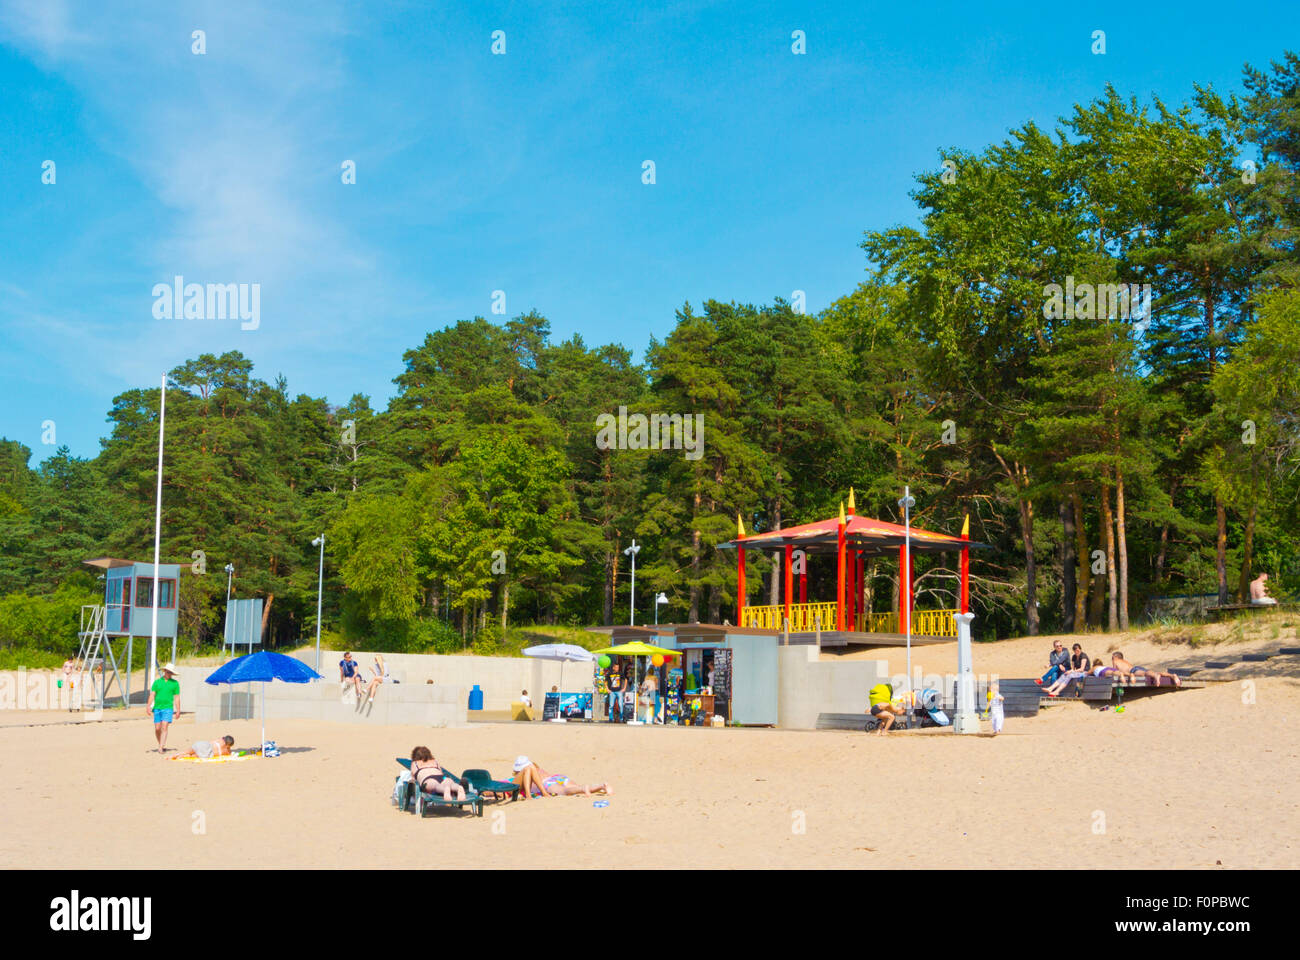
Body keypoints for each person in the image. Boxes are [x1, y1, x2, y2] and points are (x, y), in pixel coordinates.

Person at [511, 756, 612, 798]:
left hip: (547, 783)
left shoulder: (527, 774)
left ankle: (584, 789)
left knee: (566, 791)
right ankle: (601, 786)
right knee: (575, 787)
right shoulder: (538, 768)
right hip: (558, 777)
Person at [147, 663, 180, 754]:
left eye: (171, 672)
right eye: (168, 672)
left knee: (164, 726)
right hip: (157, 708)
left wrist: (178, 710)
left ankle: (161, 747)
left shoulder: (175, 683)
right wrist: (148, 706)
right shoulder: (157, 682)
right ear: (164, 671)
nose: (169, 674)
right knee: (157, 728)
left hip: (168, 708)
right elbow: (152, 694)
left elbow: (177, 697)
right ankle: (160, 744)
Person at [1111, 651, 1181, 687]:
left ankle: (1156, 676)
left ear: (1116, 657)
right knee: (1150, 672)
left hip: (1133, 671)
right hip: (1136, 668)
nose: (1112, 659)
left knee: (1146, 673)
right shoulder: (1124, 661)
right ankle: (1172, 676)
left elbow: (1114, 671)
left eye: (1112, 657)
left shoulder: (1115, 661)